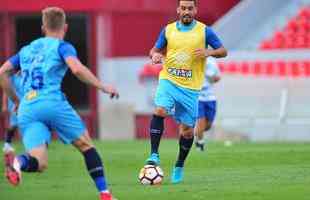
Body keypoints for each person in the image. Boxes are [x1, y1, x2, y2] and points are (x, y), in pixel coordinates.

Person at [0, 7, 118, 200]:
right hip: (52, 102)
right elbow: (77, 69)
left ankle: (17, 164)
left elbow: (3, 72)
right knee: (86, 146)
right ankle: (105, 194)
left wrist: (15, 100)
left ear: (43, 27)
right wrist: (102, 86)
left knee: (39, 162)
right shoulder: (62, 46)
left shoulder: (26, 50)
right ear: (65, 27)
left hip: (28, 107)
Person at [145, 0, 227, 184]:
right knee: (159, 110)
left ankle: (179, 164)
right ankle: (154, 156)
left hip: (190, 89)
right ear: (178, 10)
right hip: (169, 80)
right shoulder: (168, 30)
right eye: (183, 8)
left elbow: (223, 50)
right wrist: (155, 55)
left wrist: (209, 53)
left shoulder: (204, 31)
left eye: (190, 8)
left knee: (188, 131)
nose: (186, 11)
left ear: (195, 10)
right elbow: (154, 50)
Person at [194, 57, 221, 151]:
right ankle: (200, 143)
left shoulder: (211, 61)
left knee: (208, 125)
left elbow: (218, 77)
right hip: (198, 97)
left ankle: (197, 133)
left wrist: (212, 78)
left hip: (210, 97)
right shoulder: (194, 59)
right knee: (201, 122)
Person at [2, 72, 23, 153]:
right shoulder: (12, 76)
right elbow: (5, 91)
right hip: (14, 104)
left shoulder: (29, 74)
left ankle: (32, 144)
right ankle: (7, 143)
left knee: (25, 123)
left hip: (26, 102)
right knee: (13, 124)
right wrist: (4, 105)